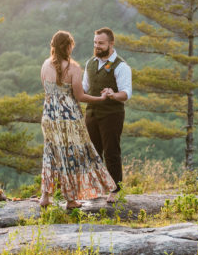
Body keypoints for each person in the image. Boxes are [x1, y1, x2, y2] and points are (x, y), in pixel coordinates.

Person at [39, 30, 116, 209]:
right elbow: (80, 96)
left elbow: (47, 91)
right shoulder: (73, 68)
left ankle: (45, 196)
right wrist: (101, 99)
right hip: (69, 118)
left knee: (50, 153)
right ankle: (71, 200)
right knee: (70, 156)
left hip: (49, 116)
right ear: (68, 46)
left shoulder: (45, 65)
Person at [82, 27, 131, 194]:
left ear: (111, 43)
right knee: (92, 154)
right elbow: (84, 88)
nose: (97, 46)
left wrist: (113, 94)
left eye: (101, 43)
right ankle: (96, 189)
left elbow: (126, 94)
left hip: (112, 115)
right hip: (91, 114)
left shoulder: (121, 66)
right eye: (95, 43)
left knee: (111, 153)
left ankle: (115, 191)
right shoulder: (90, 63)